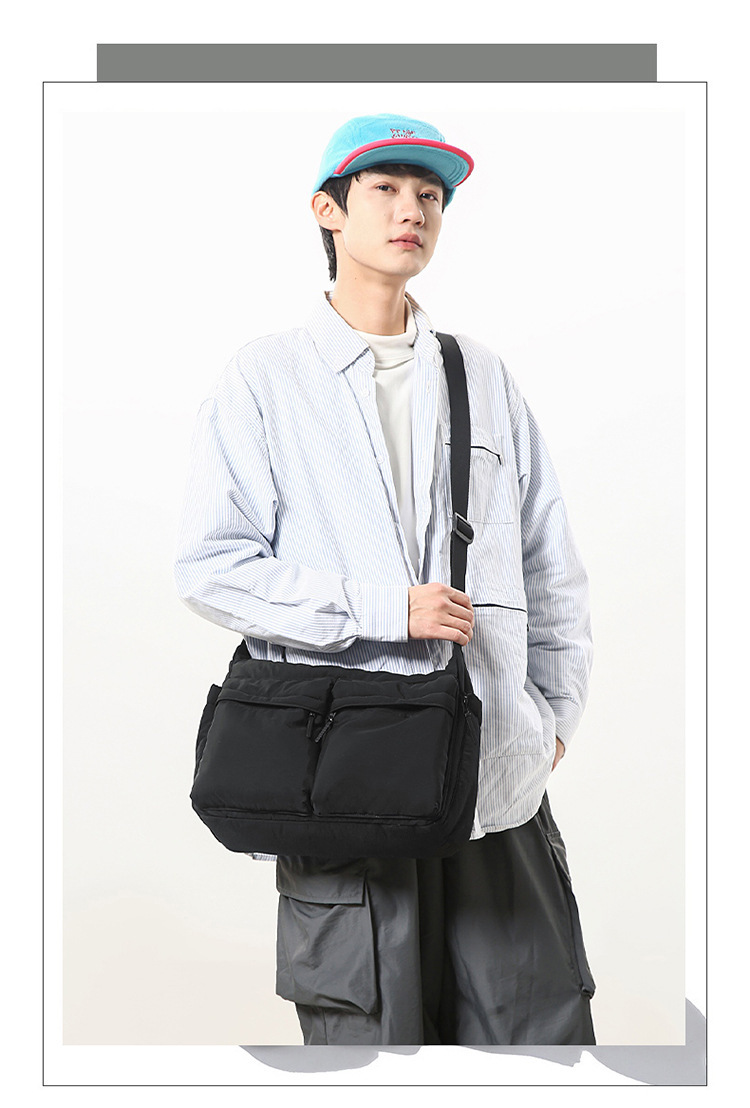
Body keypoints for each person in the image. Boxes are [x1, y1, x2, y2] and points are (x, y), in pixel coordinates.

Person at [174, 113, 596, 1046]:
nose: (413, 210)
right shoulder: (266, 379)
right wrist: (383, 611)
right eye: (386, 188)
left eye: (430, 195)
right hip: (344, 784)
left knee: (536, 1043)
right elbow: (210, 565)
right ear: (327, 209)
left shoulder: (480, 374)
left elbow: (548, 559)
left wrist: (555, 717)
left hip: (493, 788)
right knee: (368, 1051)